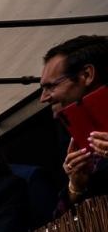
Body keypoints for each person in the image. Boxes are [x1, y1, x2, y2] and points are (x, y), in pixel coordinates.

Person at [39, 35, 108, 212]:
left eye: (51, 86)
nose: (43, 98)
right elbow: (62, 226)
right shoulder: (72, 134)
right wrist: (76, 187)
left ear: (86, 75)